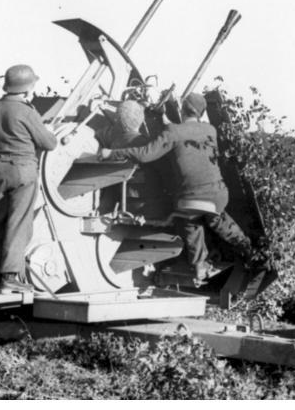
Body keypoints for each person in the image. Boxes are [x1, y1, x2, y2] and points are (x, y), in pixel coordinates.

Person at [100, 93, 251, 284]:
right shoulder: (210, 130)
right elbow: (185, 131)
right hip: (218, 194)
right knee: (217, 218)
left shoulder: (173, 132)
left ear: (182, 109)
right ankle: (247, 247)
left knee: (191, 222)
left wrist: (111, 153)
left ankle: (199, 264)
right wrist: (164, 118)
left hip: (190, 200)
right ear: (201, 113)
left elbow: (145, 154)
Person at [0, 64, 58, 292]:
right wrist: (51, 132)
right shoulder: (27, 111)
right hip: (23, 171)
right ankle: (9, 278)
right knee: (18, 224)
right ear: (28, 87)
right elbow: (49, 143)